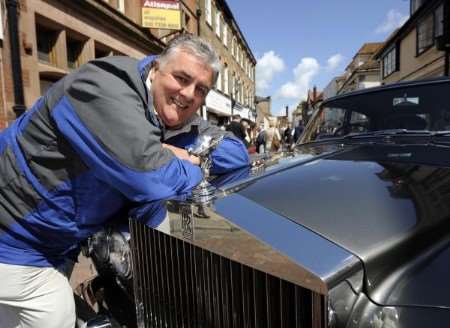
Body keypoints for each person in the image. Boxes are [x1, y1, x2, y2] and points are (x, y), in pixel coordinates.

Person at [0, 34, 249, 328]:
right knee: (57, 316)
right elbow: (148, 176)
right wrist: (187, 163)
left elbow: (237, 155)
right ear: (156, 68)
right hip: (15, 234)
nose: (188, 93)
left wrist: (174, 151)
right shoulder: (104, 87)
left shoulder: (165, 115)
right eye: (181, 78)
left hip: (55, 241)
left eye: (200, 90)